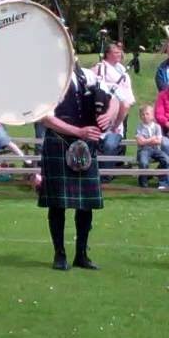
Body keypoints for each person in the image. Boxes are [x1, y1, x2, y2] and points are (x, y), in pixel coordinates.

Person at [38, 61, 121, 271]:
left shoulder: (86, 75)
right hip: (59, 141)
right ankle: (60, 254)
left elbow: (116, 100)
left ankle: (81, 255)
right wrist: (77, 132)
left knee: (86, 204)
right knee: (58, 203)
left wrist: (109, 115)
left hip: (86, 144)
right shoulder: (46, 78)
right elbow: (45, 118)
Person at [93, 42, 135, 158]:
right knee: (105, 137)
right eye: (116, 52)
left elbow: (127, 88)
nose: (119, 54)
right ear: (107, 54)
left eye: (120, 52)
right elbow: (94, 83)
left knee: (120, 134)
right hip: (108, 108)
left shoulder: (122, 69)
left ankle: (118, 162)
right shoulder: (101, 67)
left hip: (123, 108)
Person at [134, 105, 169, 189]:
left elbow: (159, 141)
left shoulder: (157, 127)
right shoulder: (139, 127)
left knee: (167, 160)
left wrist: (146, 140)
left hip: (156, 150)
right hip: (143, 150)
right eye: (142, 114)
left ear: (152, 116)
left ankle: (162, 182)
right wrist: (152, 139)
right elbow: (140, 142)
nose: (145, 116)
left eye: (147, 114)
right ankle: (143, 183)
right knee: (143, 162)